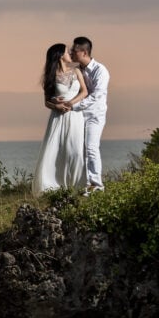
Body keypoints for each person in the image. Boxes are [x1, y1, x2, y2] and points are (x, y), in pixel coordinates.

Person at [32, 43, 88, 197]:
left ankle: (78, 185)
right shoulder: (51, 76)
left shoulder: (76, 70)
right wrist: (56, 106)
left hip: (75, 115)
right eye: (66, 51)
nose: (69, 52)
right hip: (59, 117)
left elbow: (84, 91)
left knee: (76, 150)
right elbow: (46, 102)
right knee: (57, 150)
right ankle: (53, 185)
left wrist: (71, 103)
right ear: (59, 55)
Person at [56, 36, 109, 192]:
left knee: (91, 147)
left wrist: (73, 105)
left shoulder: (101, 71)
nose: (71, 53)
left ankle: (97, 184)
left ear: (84, 52)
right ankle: (85, 184)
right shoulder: (77, 69)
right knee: (80, 150)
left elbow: (95, 97)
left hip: (94, 115)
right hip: (79, 115)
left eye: (74, 50)